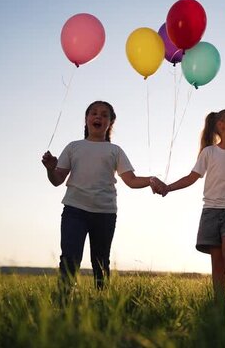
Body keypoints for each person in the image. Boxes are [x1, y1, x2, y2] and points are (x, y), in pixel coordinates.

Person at [41, 100, 163, 291]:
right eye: (94, 113)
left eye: (104, 115)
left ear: (110, 123)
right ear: (86, 119)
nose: (98, 116)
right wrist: (50, 169)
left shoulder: (115, 151)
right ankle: (63, 302)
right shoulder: (73, 147)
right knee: (70, 258)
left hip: (104, 213)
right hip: (74, 211)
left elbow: (131, 180)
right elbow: (57, 179)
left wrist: (151, 180)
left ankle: (102, 302)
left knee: (100, 261)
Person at [156, 108, 225, 304]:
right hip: (210, 211)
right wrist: (168, 187)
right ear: (221, 125)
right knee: (217, 258)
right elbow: (192, 177)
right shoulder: (209, 152)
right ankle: (220, 301)